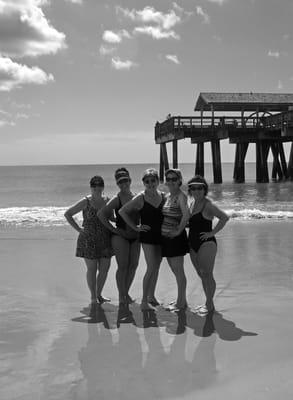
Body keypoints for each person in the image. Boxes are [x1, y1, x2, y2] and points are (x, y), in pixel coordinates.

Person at [119, 168, 165, 310]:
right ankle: (144, 302)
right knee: (151, 267)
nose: (150, 183)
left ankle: (151, 296)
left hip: (161, 236)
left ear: (158, 181)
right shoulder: (141, 197)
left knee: (156, 267)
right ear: (144, 183)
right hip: (147, 237)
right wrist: (136, 227)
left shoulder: (164, 196)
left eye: (153, 180)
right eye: (147, 181)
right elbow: (122, 212)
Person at [64, 175, 113, 306]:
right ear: (91, 187)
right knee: (92, 269)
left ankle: (99, 294)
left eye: (99, 185)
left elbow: (112, 218)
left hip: (105, 238)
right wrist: (79, 229)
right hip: (88, 239)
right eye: (94, 185)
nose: (97, 188)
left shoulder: (108, 200)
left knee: (104, 269)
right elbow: (68, 214)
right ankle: (93, 297)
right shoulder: (86, 201)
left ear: (103, 186)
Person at [98, 168, 140, 306]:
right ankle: (122, 296)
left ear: (130, 180)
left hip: (136, 236)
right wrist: (113, 229)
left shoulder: (137, 196)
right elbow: (101, 214)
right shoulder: (117, 199)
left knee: (133, 266)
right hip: (120, 237)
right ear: (117, 184)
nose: (123, 184)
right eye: (120, 182)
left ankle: (125, 293)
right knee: (123, 267)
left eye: (125, 180)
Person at [187, 175, 229, 314]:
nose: (196, 190)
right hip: (192, 244)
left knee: (207, 274)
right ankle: (208, 302)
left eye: (200, 187)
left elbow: (224, 217)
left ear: (204, 189)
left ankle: (209, 304)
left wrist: (212, 233)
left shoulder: (208, 204)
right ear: (190, 190)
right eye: (193, 188)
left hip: (207, 244)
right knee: (201, 274)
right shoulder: (191, 203)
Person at [161, 169, 190, 312]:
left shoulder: (181, 196)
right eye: (168, 179)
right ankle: (181, 299)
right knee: (174, 270)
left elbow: (186, 215)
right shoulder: (167, 196)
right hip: (166, 239)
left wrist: (178, 230)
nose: (171, 181)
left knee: (179, 271)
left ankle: (181, 303)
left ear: (179, 180)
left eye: (174, 179)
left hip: (176, 239)